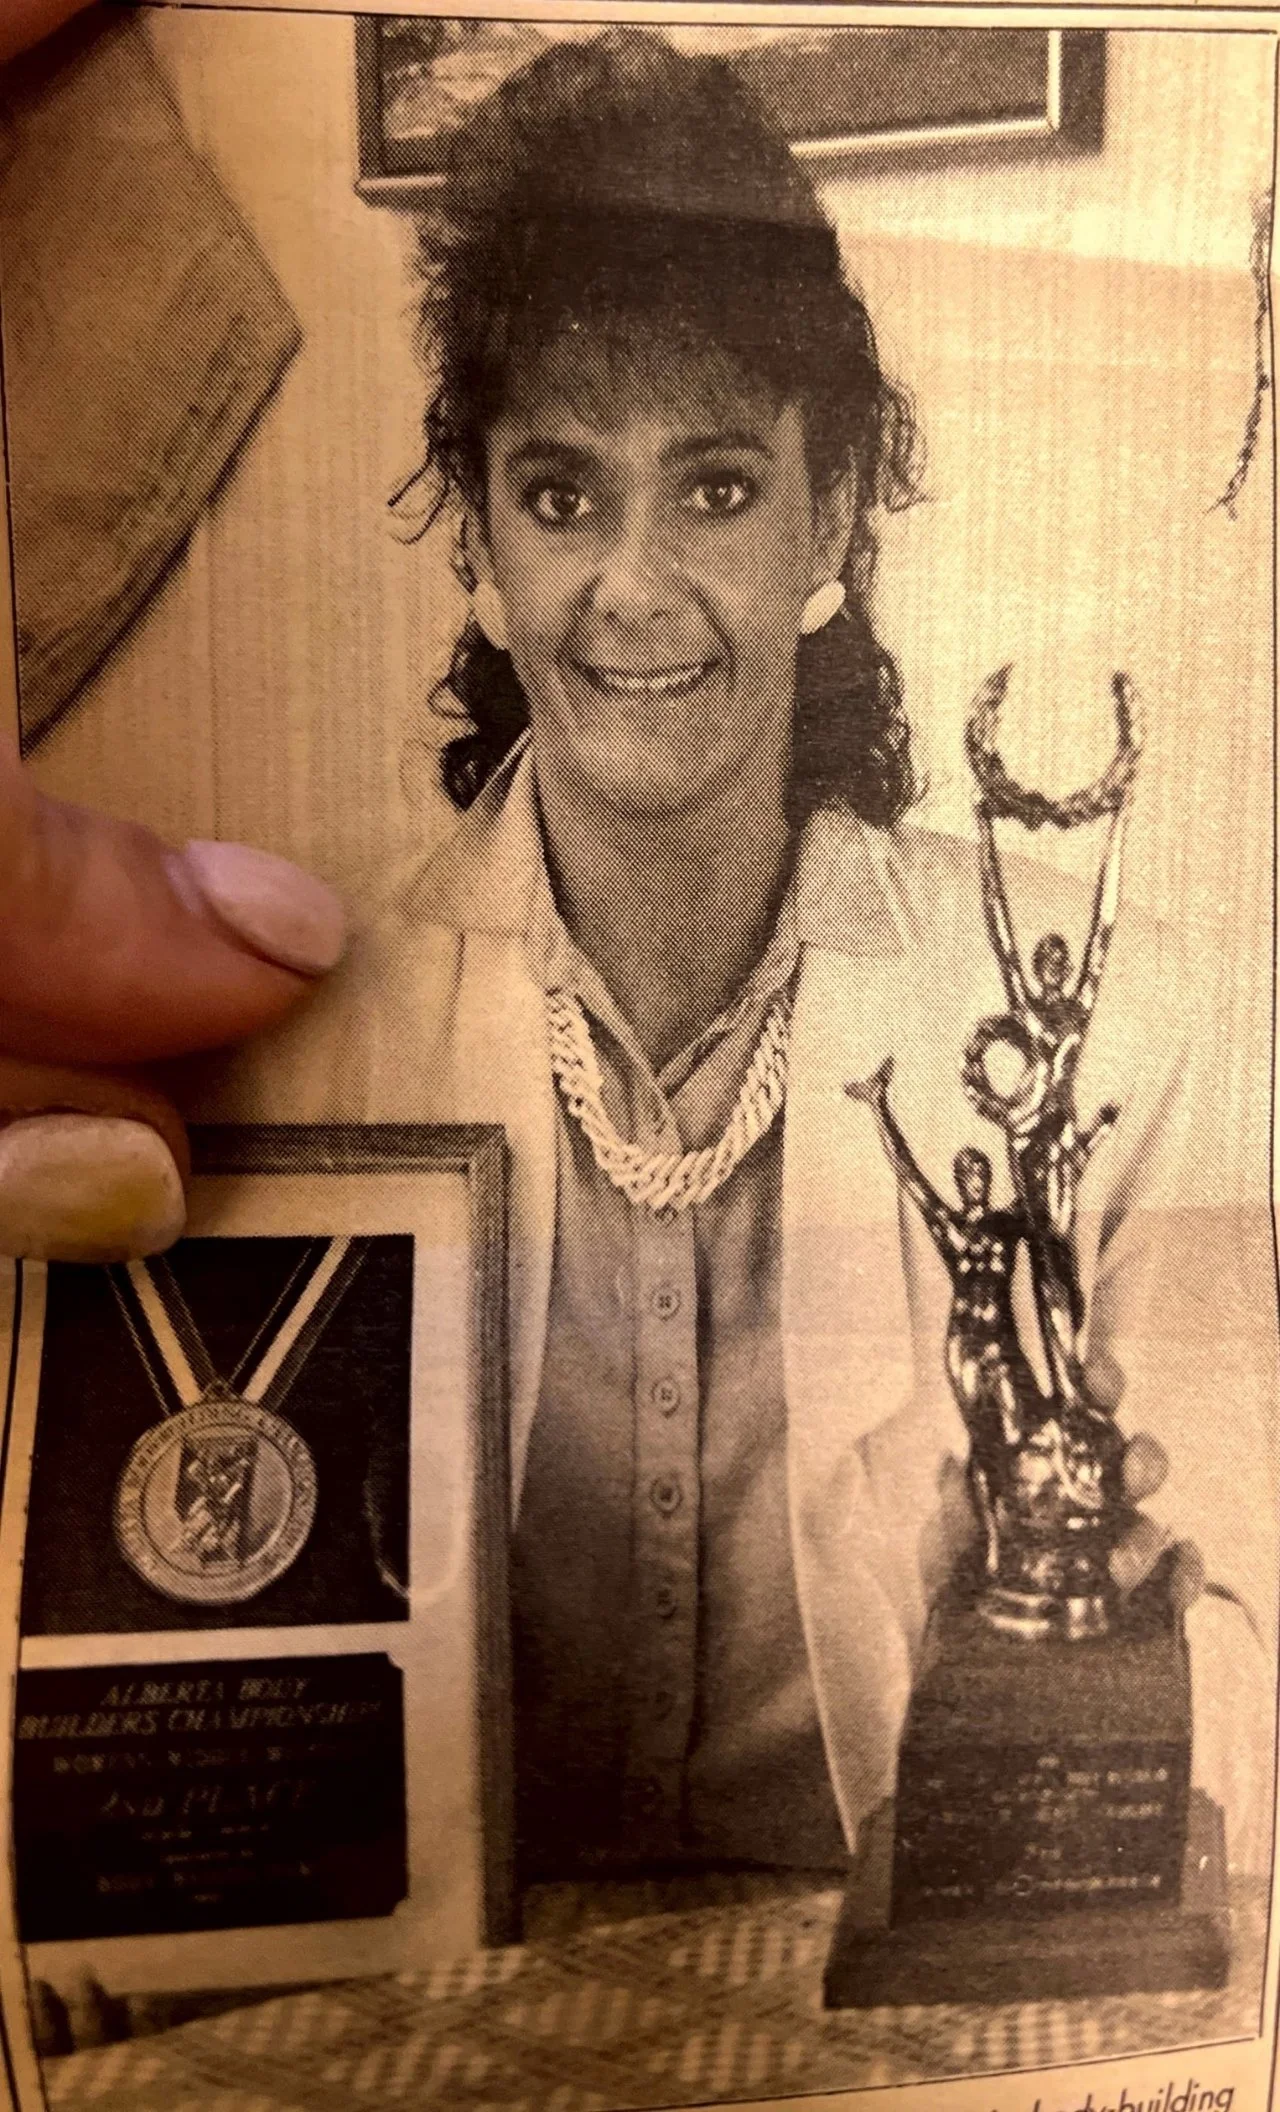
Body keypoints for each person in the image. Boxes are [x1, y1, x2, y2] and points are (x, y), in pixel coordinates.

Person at [0, 6, 1260, 1907]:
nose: (635, 587)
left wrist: (1125, 1683)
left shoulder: (1110, 1018)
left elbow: (1247, 1649)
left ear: (836, 513)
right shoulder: (293, 1043)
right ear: (481, 543)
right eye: (563, 492)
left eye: (720, 487)